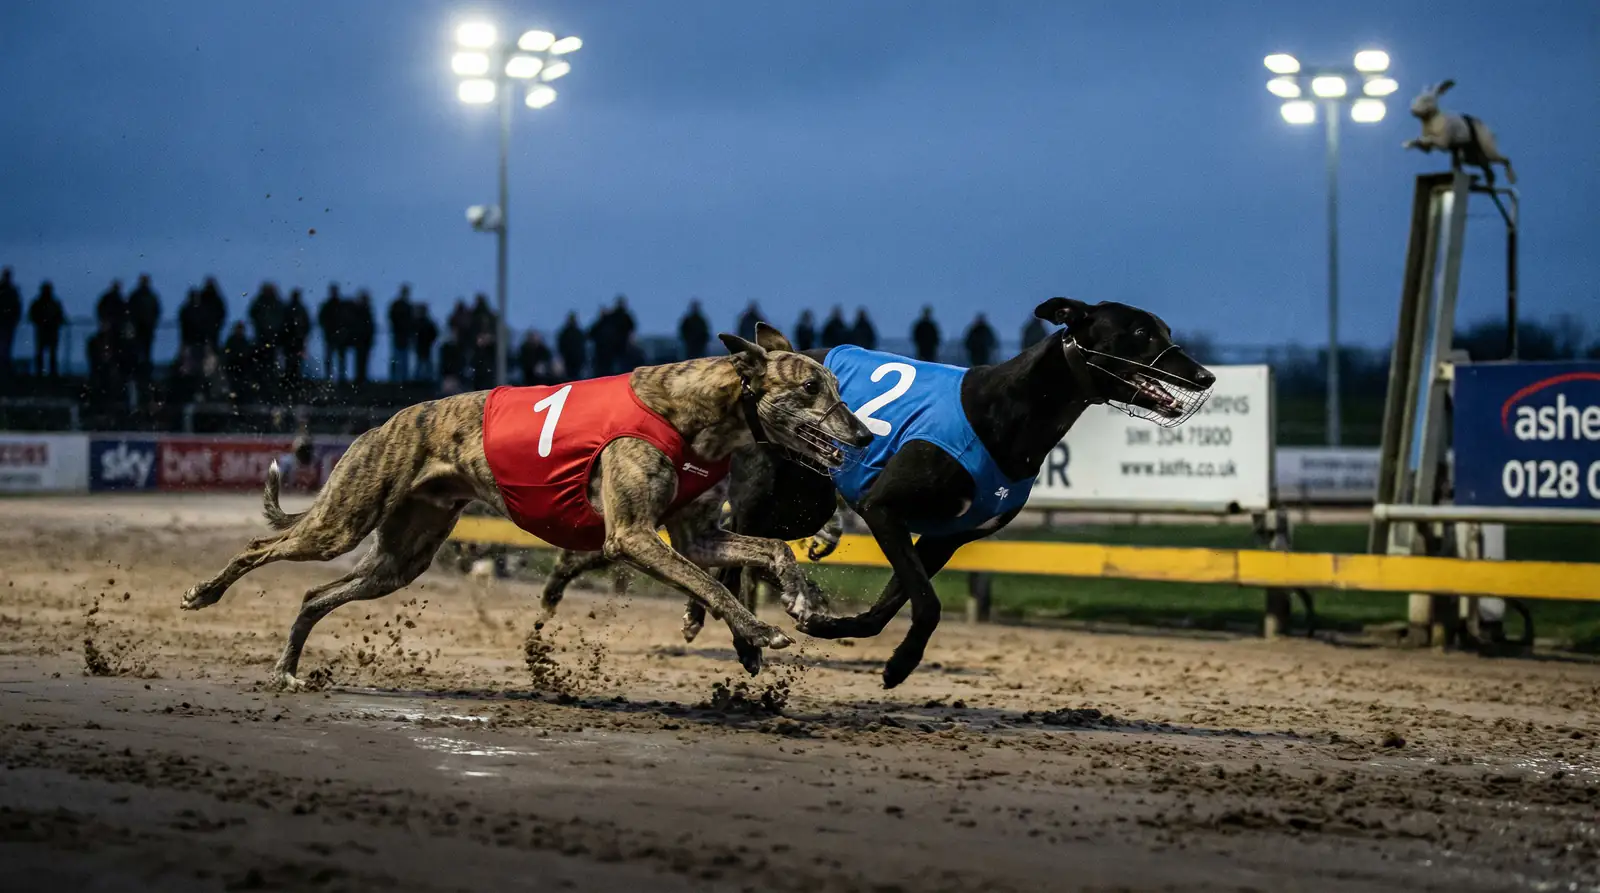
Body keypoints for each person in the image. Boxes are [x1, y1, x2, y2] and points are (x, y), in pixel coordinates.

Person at [126, 274, 161, 386]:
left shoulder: (140, 296)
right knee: (141, 353)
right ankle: (142, 374)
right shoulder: (148, 296)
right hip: (142, 329)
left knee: (144, 353)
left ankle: (143, 374)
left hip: (145, 330)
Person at [28, 281, 64, 377]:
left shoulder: (41, 303)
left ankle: (45, 373)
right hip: (46, 330)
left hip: (47, 330)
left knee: (47, 353)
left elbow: (60, 316)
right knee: (45, 353)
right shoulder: (52, 303)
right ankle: (46, 373)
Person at [317, 284, 346, 382]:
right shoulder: (330, 305)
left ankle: (339, 378)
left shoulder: (339, 305)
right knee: (331, 358)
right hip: (331, 335)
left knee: (338, 358)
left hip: (338, 336)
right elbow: (321, 320)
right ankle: (330, 377)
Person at [282, 288, 311, 382]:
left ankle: (293, 378)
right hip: (291, 339)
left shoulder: (295, 309)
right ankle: (291, 378)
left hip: (296, 339)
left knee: (295, 360)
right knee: (291, 360)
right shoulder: (293, 309)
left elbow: (307, 324)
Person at [221, 321, 254, 402]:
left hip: (242, 369)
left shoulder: (244, 342)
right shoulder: (231, 341)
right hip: (232, 368)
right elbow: (227, 355)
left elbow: (248, 355)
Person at [388, 284, 414, 382]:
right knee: (398, 358)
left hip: (402, 336)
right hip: (399, 335)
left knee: (402, 359)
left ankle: (402, 379)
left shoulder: (405, 305)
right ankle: (398, 379)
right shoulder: (401, 305)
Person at [350, 290, 376, 384]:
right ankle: (360, 377)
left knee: (363, 360)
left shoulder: (365, 310)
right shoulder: (361, 310)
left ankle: (361, 377)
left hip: (365, 340)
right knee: (360, 360)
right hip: (361, 339)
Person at [0, 267, 20, 379]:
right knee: (5, 347)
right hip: (7, 323)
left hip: (7, 323)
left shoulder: (11, 291)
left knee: (5, 347)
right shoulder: (11, 291)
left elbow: (16, 307)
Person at [198, 276, 227, 348]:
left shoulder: (216, 300)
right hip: (204, 331)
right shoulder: (203, 298)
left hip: (212, 330)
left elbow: (222, 313)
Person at [557, 311, 586, 380]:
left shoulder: (565, 333)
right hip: (573, 358)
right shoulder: (578, 332)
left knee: (571, 377)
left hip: (572, 358)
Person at [413, 303, 438, 381]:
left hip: (423, 346)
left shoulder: (421, 323)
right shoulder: (426, 322)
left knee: (422, 363)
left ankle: (421, 379)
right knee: (424, 363)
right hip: (424, 346)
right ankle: (424, 379)